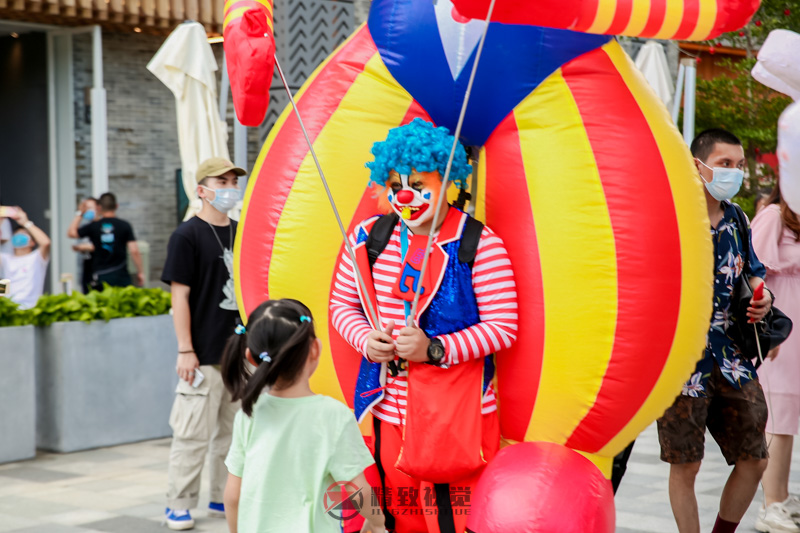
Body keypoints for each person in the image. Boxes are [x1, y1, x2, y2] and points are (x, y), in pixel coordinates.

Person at [330, 118, 518, 533]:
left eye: (419, 184)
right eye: (397, 186)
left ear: (447, 179)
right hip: (386, 412)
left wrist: (434, 349)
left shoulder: (479, 244)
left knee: (454, 523)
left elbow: (504, 326)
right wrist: (366, 340)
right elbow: (341, 306)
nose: (407, 196)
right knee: (400, 521)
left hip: (456, 419)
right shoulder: (366, 239)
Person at [657, 129, 775, 533]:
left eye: (740, 166)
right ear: (698, 165)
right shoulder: (669, 217)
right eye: (726, 165)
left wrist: (764, 298)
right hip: (680, 361)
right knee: (685, 463)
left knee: (756, 458)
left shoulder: (738, 219)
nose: (735, 174)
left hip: (733, 358)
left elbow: (755, 274)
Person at [220, 299, 386, 533]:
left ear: (250, 357)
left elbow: (233, 495)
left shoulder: (249, 413)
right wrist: (377, 523)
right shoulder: (333, 415)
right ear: (315, 349)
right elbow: (356, 488)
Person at [161, 157, 246, 530]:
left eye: (233, 180)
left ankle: (218, 495)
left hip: (239, 356)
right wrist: (185, 349)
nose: (229, 187)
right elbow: (179, 297)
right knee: (192, 433)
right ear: (201, 189)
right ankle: (178, 503)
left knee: (232, 433)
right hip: (202, 353)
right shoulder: (187, 235)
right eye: (221, 181)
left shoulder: (242, 231)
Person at [751, 181, 800, 533]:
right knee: (778, 418)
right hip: (780, 335)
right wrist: (766, 332)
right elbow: (754, 276)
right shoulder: (772, 217)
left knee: (788, 417)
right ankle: (771, 506)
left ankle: (782, 497)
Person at [67, 193, 144, 288]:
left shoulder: (94, 226)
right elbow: (134, 250)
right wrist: (140, 272)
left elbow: (71, 233)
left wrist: (80, 213)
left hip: (101, 275)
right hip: (121, 274)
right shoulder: (125, 225)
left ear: (99, 208)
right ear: (116, 206)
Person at [0, 207, 51, 309]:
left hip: (31, 309)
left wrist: (26, 223)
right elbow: (3, 283)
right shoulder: (5, 259)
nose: (19, 237)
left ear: (32, 242)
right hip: (10, 309)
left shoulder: (36, 258)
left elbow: (46, 243)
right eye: (16, 235)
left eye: (23, 235)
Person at [71, 197, 98, 293]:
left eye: (90, 208)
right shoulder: (87, 226)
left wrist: (88, 247)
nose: (87, 211)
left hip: (100, 270)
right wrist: (79, 213)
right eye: (85, 208)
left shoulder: (102, 225)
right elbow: (71, 233)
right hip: (87, 268)